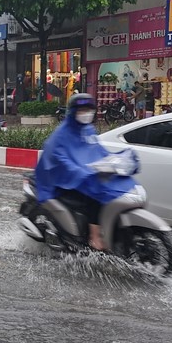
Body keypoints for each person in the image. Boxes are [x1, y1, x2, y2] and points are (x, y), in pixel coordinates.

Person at [34, 93, 136, 251]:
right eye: (82, 110)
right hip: (60, 179)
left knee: (110, 185)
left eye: (89, 109)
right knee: (94, 194)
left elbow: (98, 150)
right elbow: (59, 158)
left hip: (83, 173)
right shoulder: (62, 134)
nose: (86, 113)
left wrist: (113, 161)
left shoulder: (88, 130)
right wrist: (80, 172)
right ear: (73, 111)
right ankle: (94, 237)